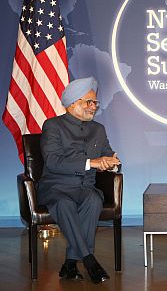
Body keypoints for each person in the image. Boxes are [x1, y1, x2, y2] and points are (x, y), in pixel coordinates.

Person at [37, 77, 121, 284]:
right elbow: (54, 162)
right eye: (88, 102)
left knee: (93, 200)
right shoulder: (53, 126)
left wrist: (112, 163)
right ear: (72, 103)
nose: (93, 107)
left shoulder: (98, 129)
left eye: (95, 103)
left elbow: (108, 154)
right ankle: (89, 260)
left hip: (85, 188)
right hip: (56, 187)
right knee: (64, 204)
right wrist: (91, 162)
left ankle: (70, 264)